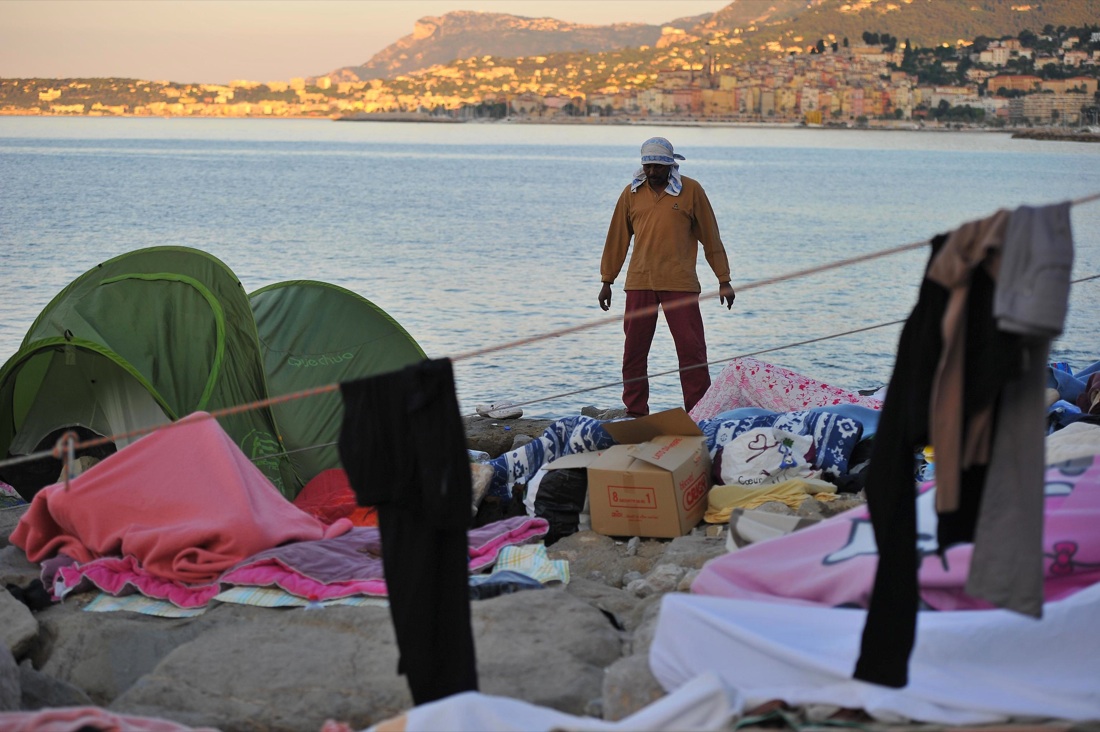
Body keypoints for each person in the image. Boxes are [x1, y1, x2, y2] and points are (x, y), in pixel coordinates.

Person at [598, 136, 735, 417]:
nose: (652, 173)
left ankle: (699, 413)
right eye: (647, 167)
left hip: (680, 284)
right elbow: (616, 239)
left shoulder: (691, 191)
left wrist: (724, 279)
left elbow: (711, 238)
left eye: (658, 168)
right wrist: (607, 281)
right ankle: (636, 412)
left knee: (691, 352)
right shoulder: (631, 193)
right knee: (634, 352)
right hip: (639, 283)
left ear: (670, 166)